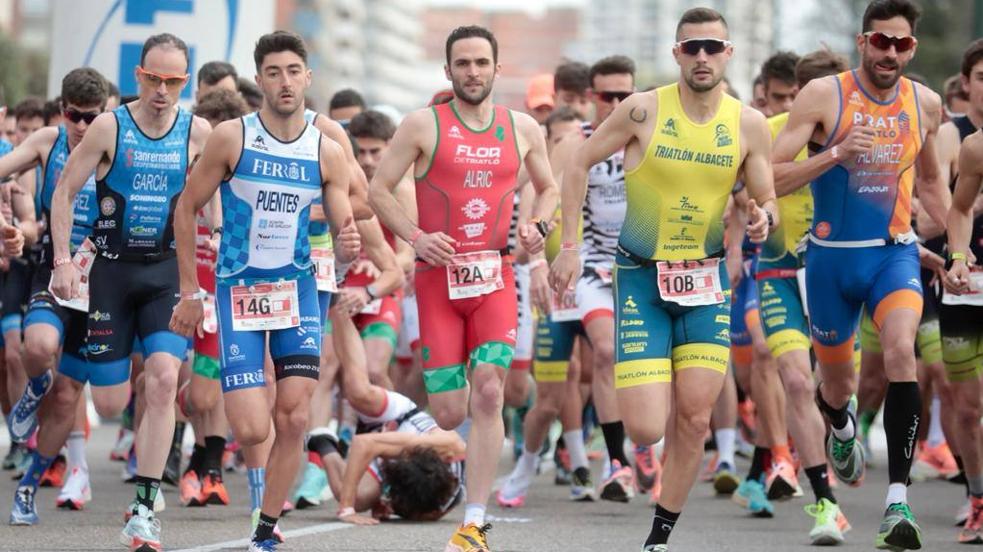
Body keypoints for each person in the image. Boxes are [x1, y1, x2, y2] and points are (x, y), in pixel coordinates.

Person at [550, 8, 778, 551]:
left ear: (729, 54)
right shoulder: (642, 109)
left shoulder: (747, 123)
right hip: (642, 280)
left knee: (695, 419)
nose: (702, 56)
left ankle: (659, 536)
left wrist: (763, 213)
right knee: (648, 429)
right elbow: (578, 162)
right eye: (691, 47)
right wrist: (570, 246)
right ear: (677, 53)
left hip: (704, 282)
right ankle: (649, 410)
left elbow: (763, 191)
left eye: (712, 47)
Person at [368, 24, 558, 552]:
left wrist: (538, 228)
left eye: (481, 62)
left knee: (492, 391)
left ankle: (474, 520)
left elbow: (550, 190)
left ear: (497, 69)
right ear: (447, 70)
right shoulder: (420, 125)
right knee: (450, 412)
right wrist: (416, 237)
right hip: (437, 282)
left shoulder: (521, 128)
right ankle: (393, 452)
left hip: (494, 275)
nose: (472, 72)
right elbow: (377, 189)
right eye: (462, 63)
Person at [168, 30, 360, 552]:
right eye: (273, 72)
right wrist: (190, 290)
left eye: (293, 71)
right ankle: (206, 414)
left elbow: (343, 228)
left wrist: (347, 243)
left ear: (308, 78)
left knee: (295, 413)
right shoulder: (232, 137)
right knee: (252, 429)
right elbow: (186, 209)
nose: (284, 82)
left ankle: (267, 527)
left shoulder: (328, 150)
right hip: (238, 291)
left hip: (298, 291)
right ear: (260, 80)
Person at [772, 1, 951, 549]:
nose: (890, 53)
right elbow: (771, 178)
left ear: (912, 48)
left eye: (901, 44)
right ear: (862, 41)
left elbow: (930, 183)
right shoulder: (824, 96)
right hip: (830, 260)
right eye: (881, 41)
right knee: (836, 386)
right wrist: (835, 154)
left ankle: (897, 504)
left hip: (891, 255)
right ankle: (842, 424)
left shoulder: (926, 104)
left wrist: (956, 247)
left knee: (901, 352)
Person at [49, 33, 212, 551]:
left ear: (185, 82)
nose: (163, 91)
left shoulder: (199, 131)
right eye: (154, 79)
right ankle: (138, 401)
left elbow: (219, 199)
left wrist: (222, 250)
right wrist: (61, 263)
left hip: (166, 272)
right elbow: (64, 192)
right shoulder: (109, 126)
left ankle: (143, 508)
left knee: (163, 379)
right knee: (114, 399)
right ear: (139, 75)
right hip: (112, 276)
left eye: (174, 82)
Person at [4, 68, 124, 525]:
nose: (81, 126)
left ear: (104, 114)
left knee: (69, 395)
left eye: (90, 117)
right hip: (55, 271)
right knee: (36, 348)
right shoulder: (49, 141)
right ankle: (34, 386)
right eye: (73, 115)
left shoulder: (120, 146)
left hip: (102, 283)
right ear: (62, 110)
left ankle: (30, 487)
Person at [936, 38, 983, 544]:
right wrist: (958, 254)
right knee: (967, 406)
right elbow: (959, 207)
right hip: (969, 286)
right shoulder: (971, 145)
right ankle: (978, 498)